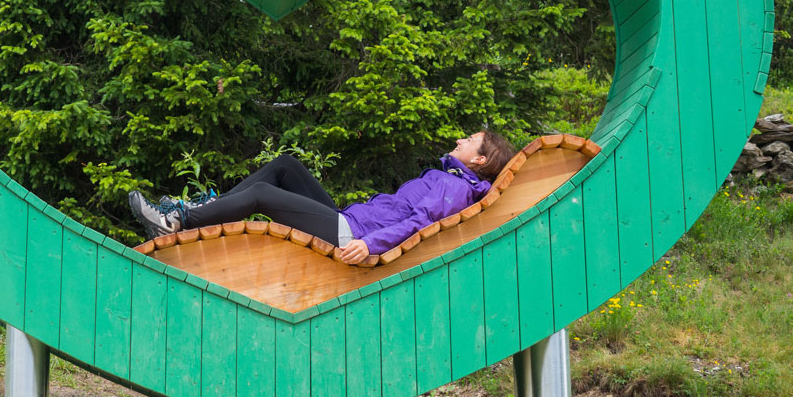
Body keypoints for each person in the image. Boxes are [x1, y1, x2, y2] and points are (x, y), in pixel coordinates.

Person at [129, 130, 517, 264]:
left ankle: (179, 221)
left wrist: (369, 244)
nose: (460, 140)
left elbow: (420, 225)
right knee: (283, 167)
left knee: (264, 193)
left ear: (480, 159)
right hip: (349, 220)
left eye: (470, 141)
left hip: (351, 236)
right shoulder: (448, 176)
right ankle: (203, 211)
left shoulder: (456, 186)